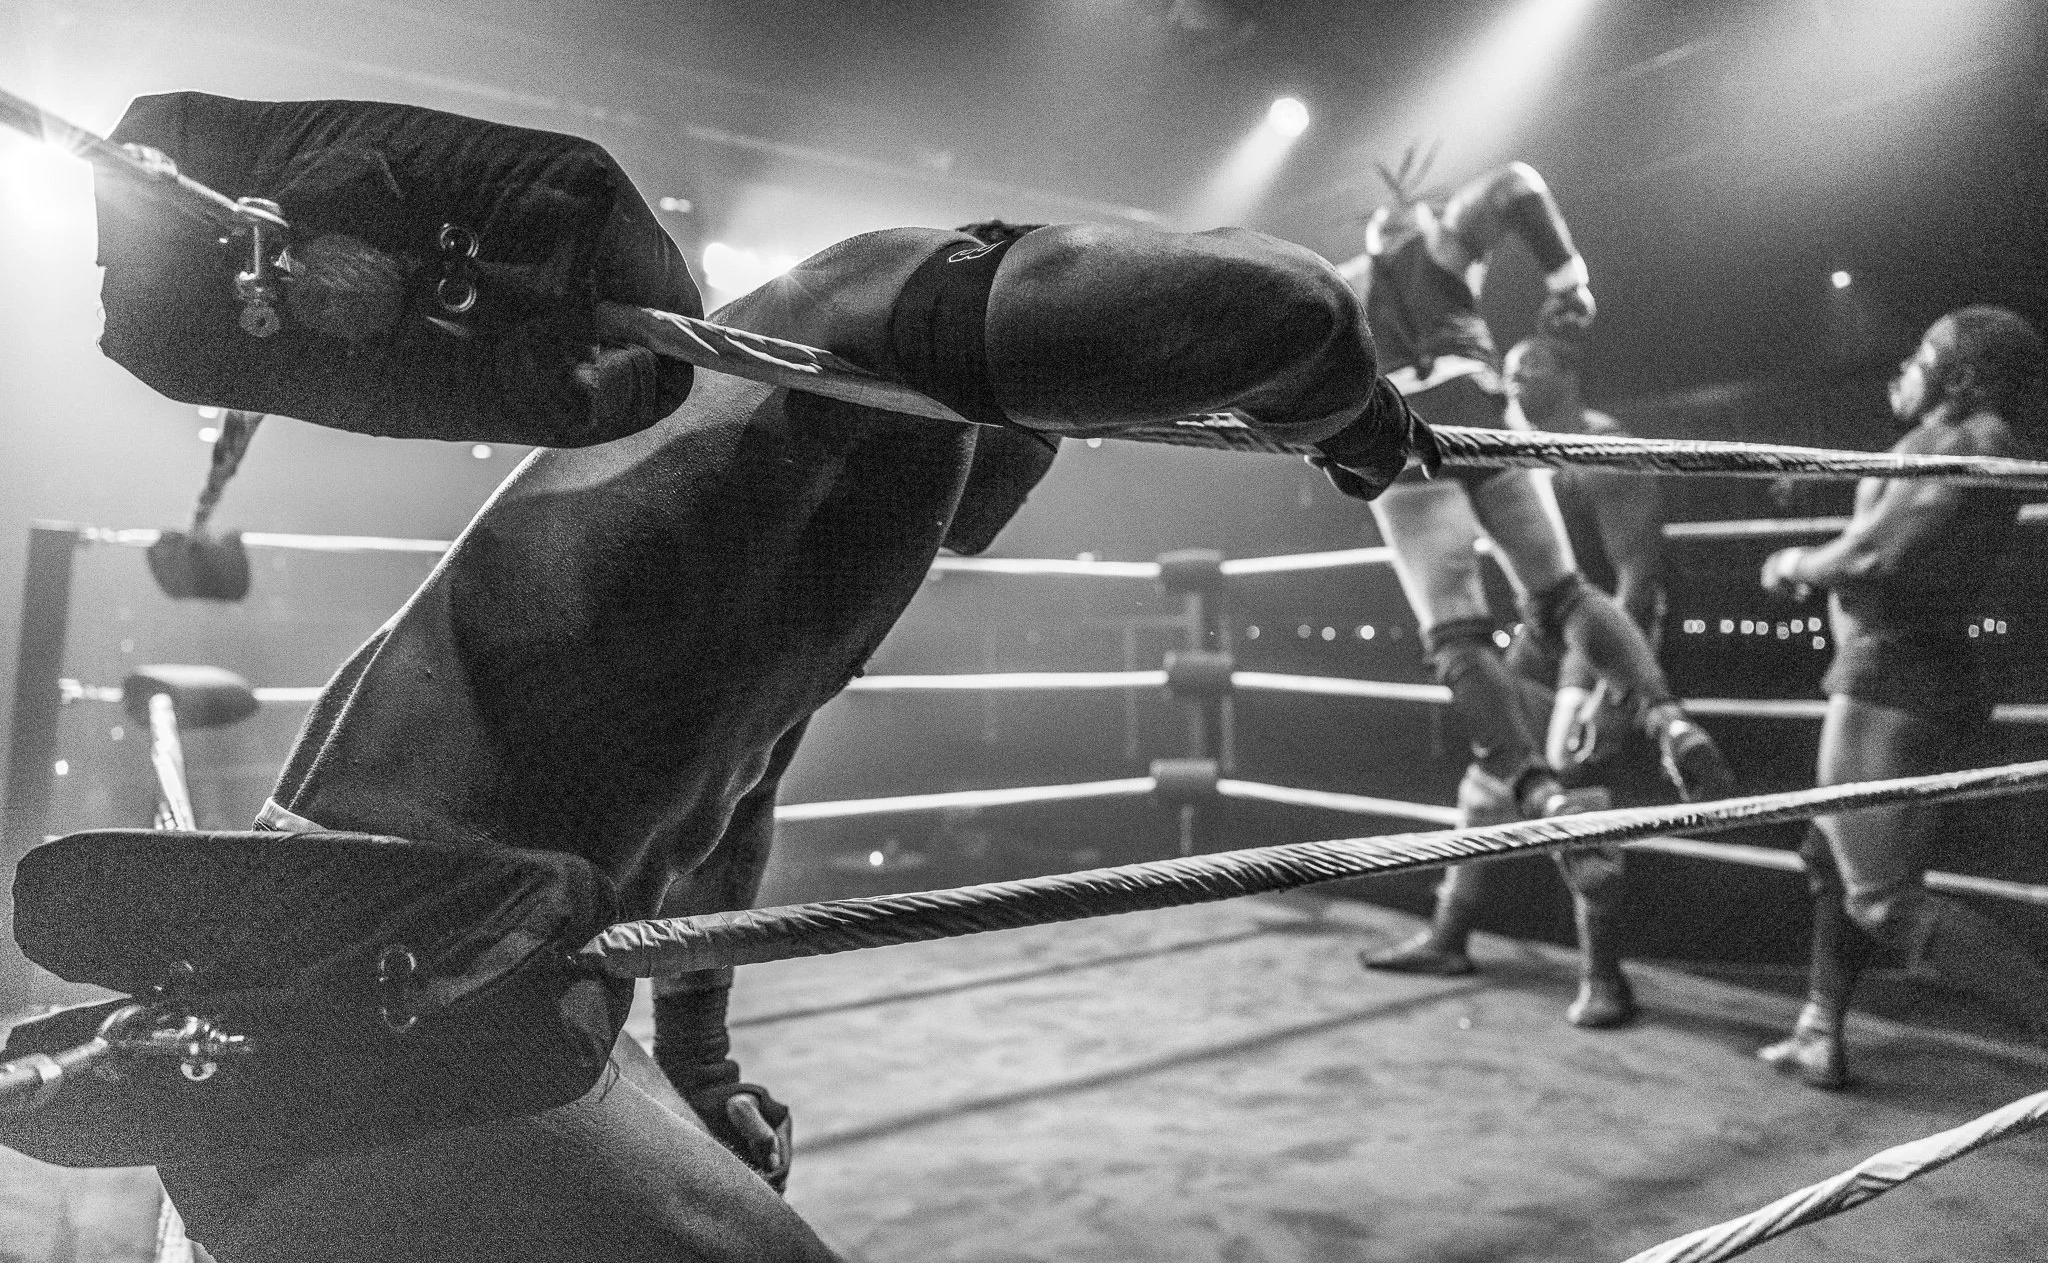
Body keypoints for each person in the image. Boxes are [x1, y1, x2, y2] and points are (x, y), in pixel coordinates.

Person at [111, 95, 1433, 1263]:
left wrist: (700, 1057)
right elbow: (1295, 306)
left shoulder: (828, 499)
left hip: (474, 977)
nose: (1052, 458)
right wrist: (1353, 418)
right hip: (388, 985)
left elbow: (733, 778)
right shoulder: (853, 315)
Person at [1756, 305, 2048, 1089]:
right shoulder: (1959, 442)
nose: (1905, 368)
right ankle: (1818, 1031)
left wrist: (1795, 563)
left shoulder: (1963, 441)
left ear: (1962, 375)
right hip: (1911, 670)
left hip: (1891, 675)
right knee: (1832, 853)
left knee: (1883, 898)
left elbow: (1877, 556)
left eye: (1923, 353)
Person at [1363, 333, 1670, 1027]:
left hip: (1592, 647)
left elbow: (1637, 577)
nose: (1516, 378)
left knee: (1578, 791)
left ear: (1570, 372)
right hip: (1537, 637)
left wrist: (1604, 686)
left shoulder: (1607, 450)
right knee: (1489, 780)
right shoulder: (1504, 441)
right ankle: (1449, 936)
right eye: (1509, 369)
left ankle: (1605, 976)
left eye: (1532, 366)